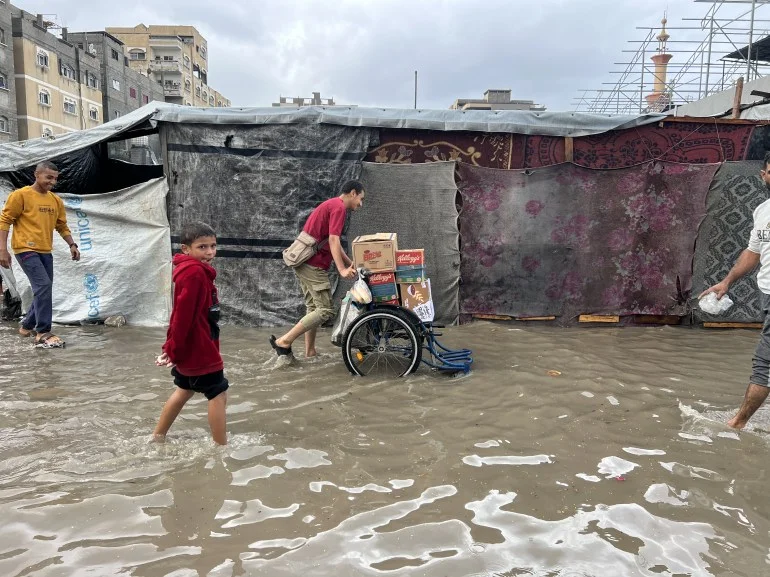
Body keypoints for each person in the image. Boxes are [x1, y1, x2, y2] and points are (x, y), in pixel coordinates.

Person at [701, 151, 770, 429]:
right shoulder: (763, 211)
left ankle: (737, 425)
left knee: (764, 365)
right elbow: (753, 252)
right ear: (763, 175)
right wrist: (727, 282)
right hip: (766, 294)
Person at [271, 180, 365, 358]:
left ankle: (310, 351)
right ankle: (284, 341)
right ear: (353, 193)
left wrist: (349, 262)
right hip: (312, 265)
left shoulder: (331, 205)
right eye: (360, 199)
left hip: (304, 262)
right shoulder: (339, 208)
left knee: (313, 307)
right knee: (325, 310)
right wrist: (342, 270)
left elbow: (330, 244)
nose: (360, 204)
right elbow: (333, 240)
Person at [154, 222, 228, 445]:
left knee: (184, 390)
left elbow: (179, 313)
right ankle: (221, 448)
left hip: (193, 344)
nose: (209, 252)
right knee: (218, 393)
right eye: (202, 247)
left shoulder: (191, 270)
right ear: (186, 249)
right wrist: (172, 349)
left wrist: (172, 347)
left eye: (213, 246)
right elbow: (182, 316)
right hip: (199, 347)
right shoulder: (195, 273)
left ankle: (158, 437)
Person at [0, 161, 81, 348]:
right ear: (37, 175)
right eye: (48, 177)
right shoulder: (20, 195)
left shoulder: (55, 200)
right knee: (43, 285)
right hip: (25, 249)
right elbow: (5, 221)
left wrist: (72, 244)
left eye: (55, 178)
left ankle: (27, 325)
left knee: (44, 289)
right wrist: (2, 249)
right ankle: (43, 331)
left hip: (45, 250)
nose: (52, 182)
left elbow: (61, 225)